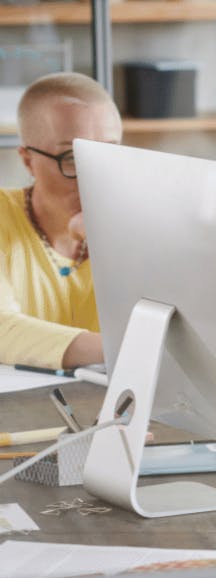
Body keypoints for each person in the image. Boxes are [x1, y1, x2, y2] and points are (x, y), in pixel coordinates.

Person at [0, 72, 123, 369]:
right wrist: (127, 350)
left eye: (109, 151)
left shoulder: (142, 222)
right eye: (71, 156)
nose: (94, 175)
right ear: (28, 160)